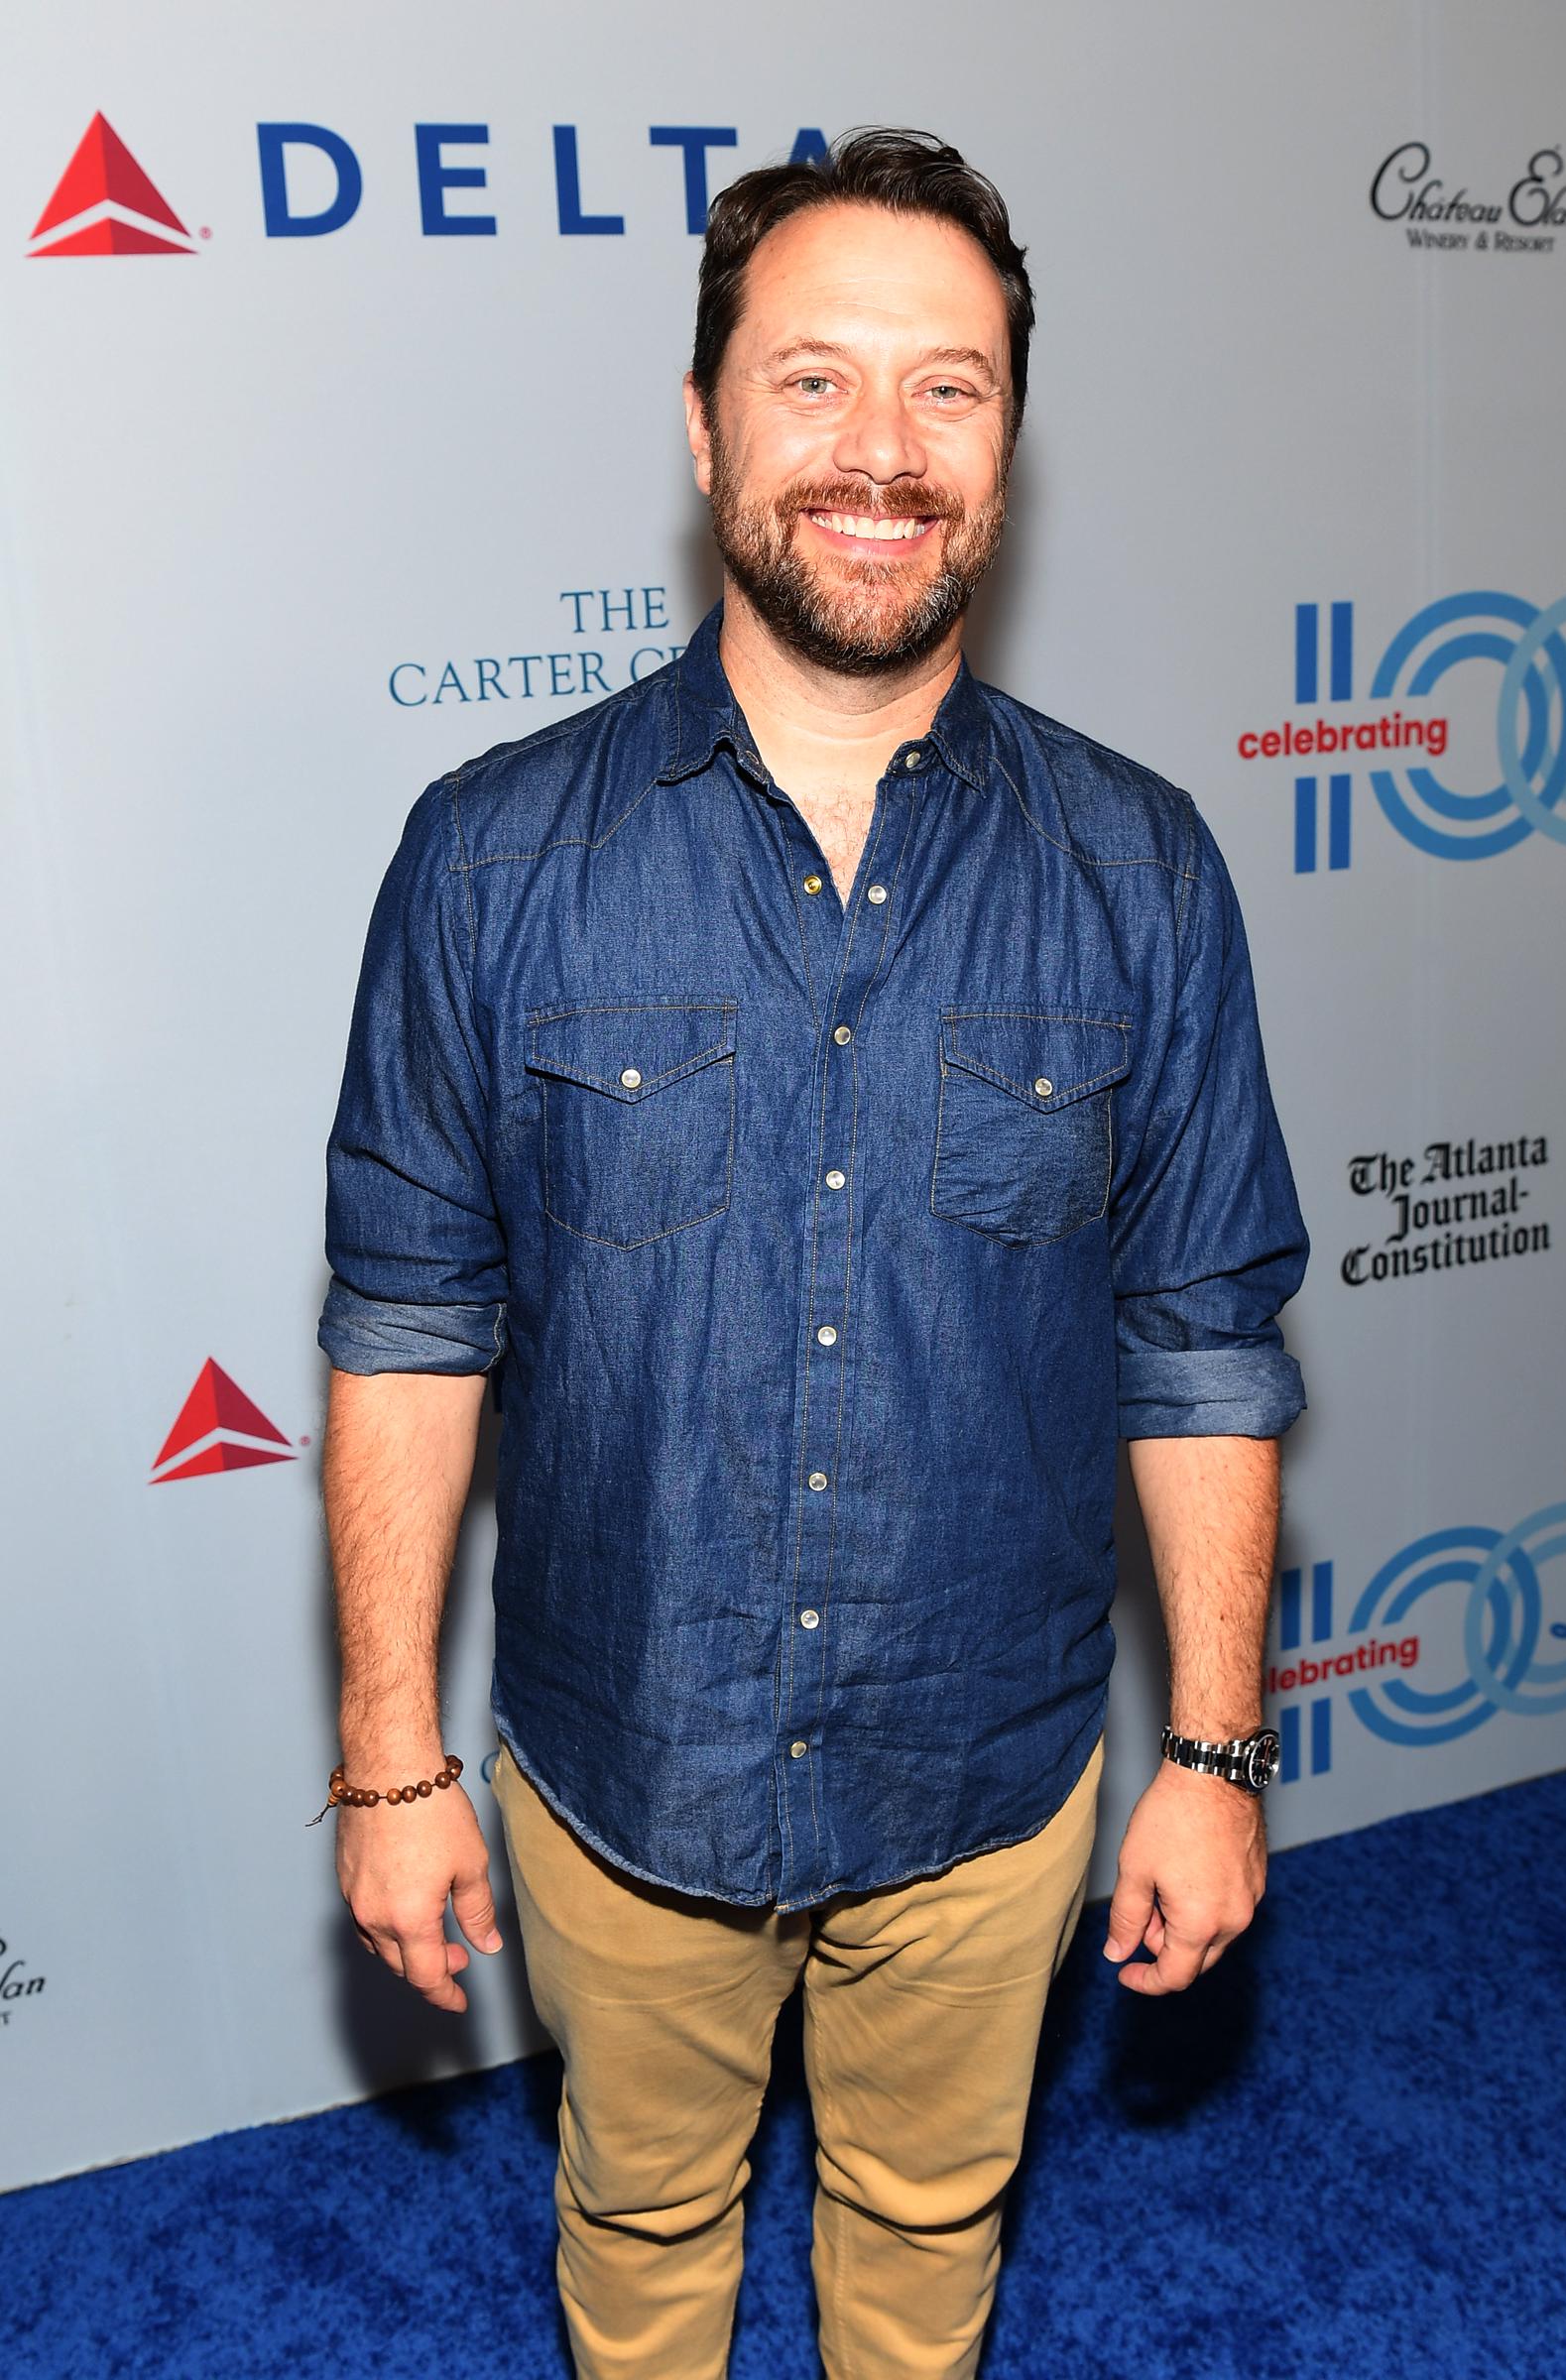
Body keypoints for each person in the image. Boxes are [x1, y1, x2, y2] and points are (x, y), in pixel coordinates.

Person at [317, 126, 1309, 2380]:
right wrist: (388, 1761)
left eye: (947, 391)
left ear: (1010, 444)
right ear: (701, 427)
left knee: (926, 2225)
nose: (882, 454)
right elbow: (405, 1319)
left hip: (987, 1789)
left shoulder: (1142, 872)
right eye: (813, 382)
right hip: (619, 1772)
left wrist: (1219, 1757)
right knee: (641, 2224)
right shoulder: (485, 864)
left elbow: (1201, 1343)